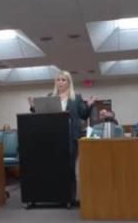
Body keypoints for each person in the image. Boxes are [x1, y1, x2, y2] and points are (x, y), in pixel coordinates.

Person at [27, 70, 96, 204]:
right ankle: (57, 195)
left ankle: (70, 197)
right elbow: (43, 115)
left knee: (69, 168)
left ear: (69, 82)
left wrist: (89, 105)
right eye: (58, 80)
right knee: (55, 167)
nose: (60, 82)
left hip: (71, 137)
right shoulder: (49, 97)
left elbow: (83, 114)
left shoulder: (76, 97)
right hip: (54, 138)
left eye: (63, 80)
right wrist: (33, 107)